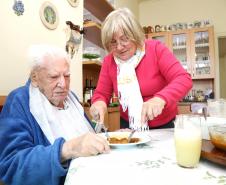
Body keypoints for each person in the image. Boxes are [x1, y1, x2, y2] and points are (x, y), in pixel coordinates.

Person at [0, 44, 110, 185]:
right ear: (35, 77)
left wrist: (104, 130)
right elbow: (10, 165)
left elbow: (86, 135)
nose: (63, 84)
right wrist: (67, 149)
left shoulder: (72, 98)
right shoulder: (19, 101)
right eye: (53, 77)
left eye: (67, 76)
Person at [90, 8, 192, 130]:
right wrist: (99, 103)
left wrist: (160, 99)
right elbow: (101, 94)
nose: (119, 47)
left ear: (135, 35)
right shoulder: (109, 61)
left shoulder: (156, 49)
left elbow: (183, 79)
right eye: (113, 42)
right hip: (129, 126)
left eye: (124, 39)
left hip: (165, 125)